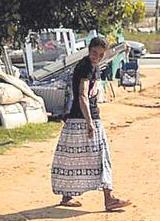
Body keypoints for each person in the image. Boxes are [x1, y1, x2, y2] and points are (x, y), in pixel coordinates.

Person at [51, 37, 132, 211]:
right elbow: (82, 95)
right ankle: (109, 198)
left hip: (75, 120)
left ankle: (67, 196)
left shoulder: (89, 66)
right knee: (101, 157)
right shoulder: (86, 68)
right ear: (89, 50)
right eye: (94, 53)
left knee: (72, 159)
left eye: (100, 54)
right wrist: (89, 122)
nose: (97, 57)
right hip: (85, 119)